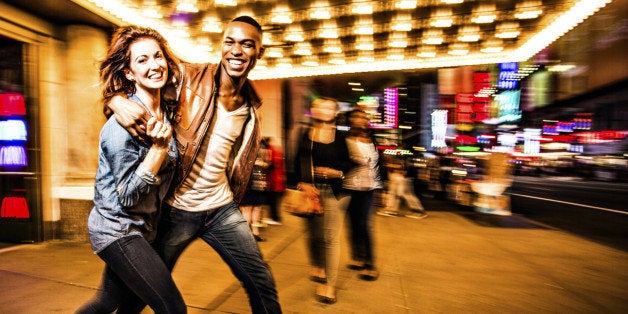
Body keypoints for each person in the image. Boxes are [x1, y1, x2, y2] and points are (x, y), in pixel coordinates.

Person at [107, 16, 281, 314]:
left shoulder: (251, 109)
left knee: (261, 281)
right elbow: (143, 81)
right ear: (221, 46)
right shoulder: (187, 78)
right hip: (176, 210)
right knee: (142, 295)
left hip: (222, 209)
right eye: (230, 42)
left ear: (259, 53)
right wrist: (116, 100)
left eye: (247, 44)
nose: (236, 50)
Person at [77, 26, 186, 313]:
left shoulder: (167, 109)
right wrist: (159, 149)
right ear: (128, 73)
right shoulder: (121, 127)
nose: (154, 65)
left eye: (158, 56)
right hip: (117, 230)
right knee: (172, 307)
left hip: (143, 229)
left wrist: (113, 98)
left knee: (111, 302)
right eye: (142, 60)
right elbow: (126, 196)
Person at [294, 97, 354, 304]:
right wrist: (303, 183)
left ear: (335, 112)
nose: (325, 110)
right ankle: (318, 265)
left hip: (336, 192)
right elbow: (297, 161)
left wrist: (336, 172)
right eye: (320, 106)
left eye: (329, 107)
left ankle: (328, 285)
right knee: (315, 236)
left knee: (330, 239)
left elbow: (350, 163)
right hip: (312, 192)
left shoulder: (342, 136)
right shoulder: (305, 134)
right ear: (314, 110)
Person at [343, 109, 384, 281]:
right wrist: (353, 161)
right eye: (356, 117)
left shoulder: (373, 139)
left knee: (364, 225)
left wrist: (384, 189)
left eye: (363, 117)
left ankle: (369, 264)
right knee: (352, 225)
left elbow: (379, 164)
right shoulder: (344, 140)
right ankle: (357, 257)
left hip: (369, 187)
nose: (360, 120)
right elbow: (340, 162)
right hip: (349, 186)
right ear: (350, 120)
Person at [240, 137, 272, 241]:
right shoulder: (262, 146)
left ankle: (247, 234)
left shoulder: (244, 145)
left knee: (247, 208)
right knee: (255, 208)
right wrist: (262, 163)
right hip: (259, 181)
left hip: (248, 181)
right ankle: (254, 233)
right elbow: (268, 163)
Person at [263, 137, 286, 225]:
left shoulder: (271, 149)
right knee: (275, 200)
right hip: (278, 179)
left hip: (274, 179)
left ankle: (275, 218)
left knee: (273, 200)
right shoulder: (277, 148)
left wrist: (265, 165)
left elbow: (273, 163)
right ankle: (275, 217)